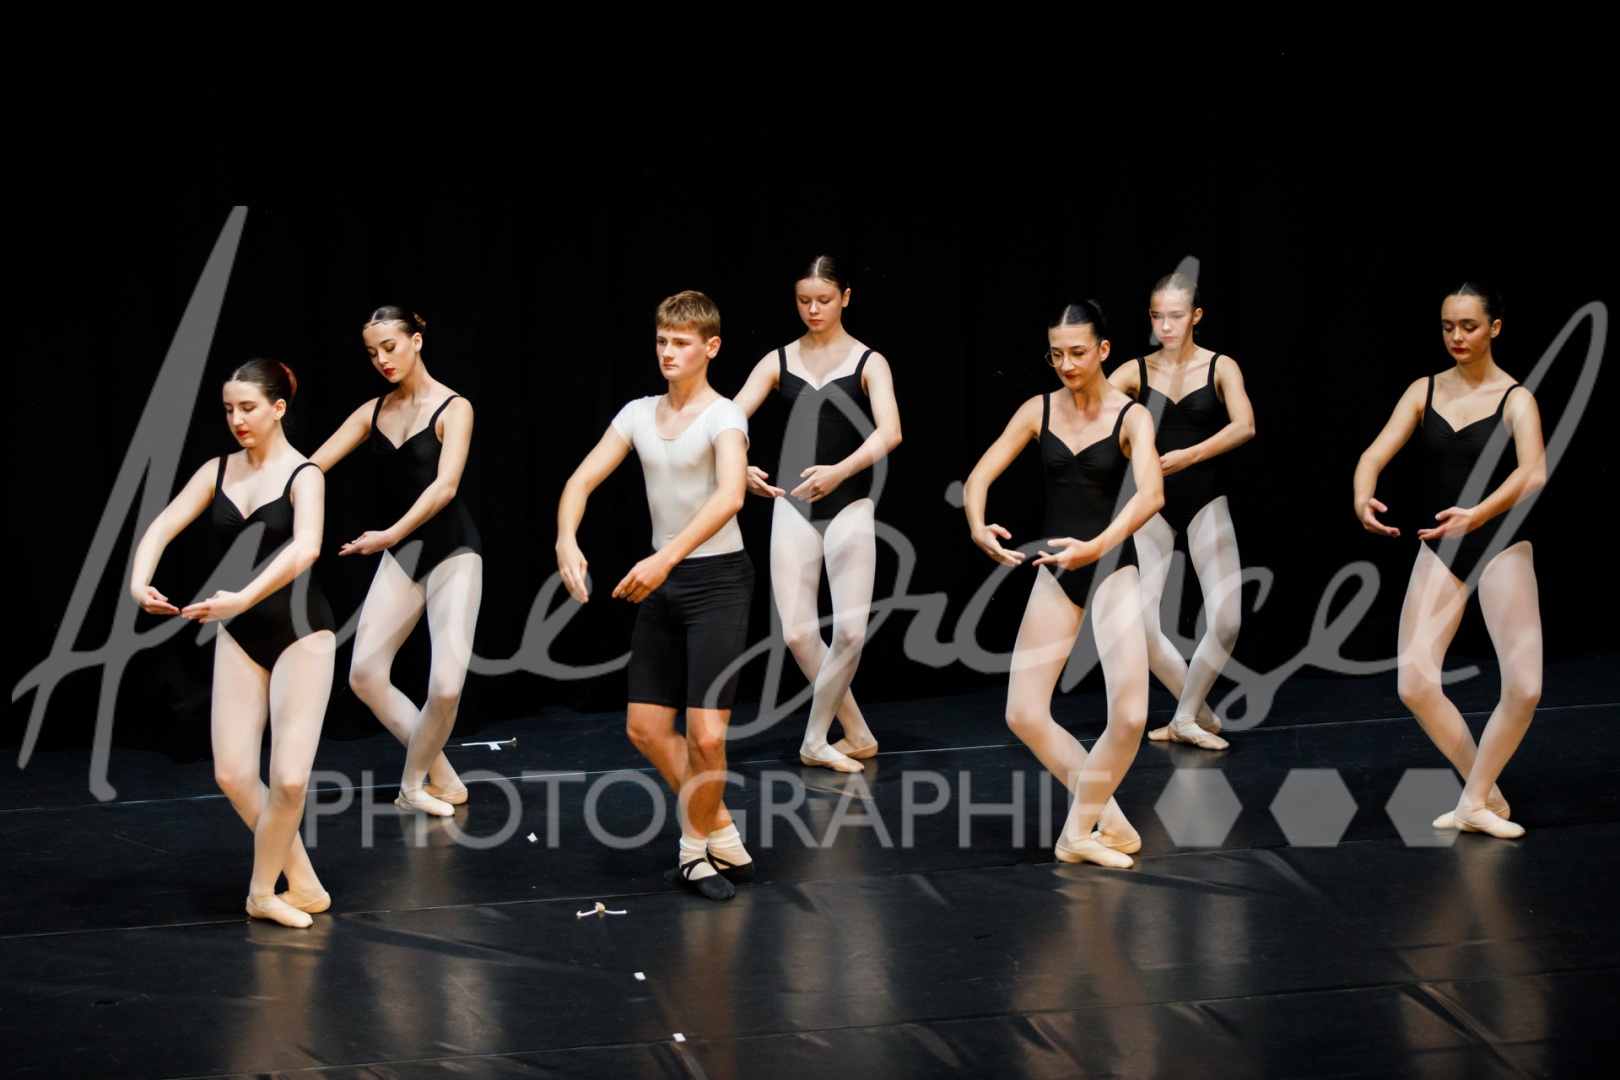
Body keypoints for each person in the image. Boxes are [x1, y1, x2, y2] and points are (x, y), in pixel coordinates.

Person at [556, 290, 755, 900]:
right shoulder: (638, 414)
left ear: (711, 348)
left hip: (717, 582)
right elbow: (580, 480)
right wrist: (566, 538)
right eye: (662, 341)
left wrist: (665, 558)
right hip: (665, 584)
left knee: (708, 736)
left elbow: (730, 496)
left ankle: (694, 853)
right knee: (644, 729)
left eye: (682, 343)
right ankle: (721, 829)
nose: (668, 352)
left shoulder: (725, 417)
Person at [128, 360, 336, 927]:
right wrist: (138, 582)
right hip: (240, 632)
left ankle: (261, 892)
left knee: (289, 778)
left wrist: (242, 596)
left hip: (301, 631)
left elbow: (307, 547)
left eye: (248, 407)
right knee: (233, 774)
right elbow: (160, 527)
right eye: (228, 410)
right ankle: (304, 884)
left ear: (278, 408)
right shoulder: (217, 470)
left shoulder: (305, 474)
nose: (237, 419)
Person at [963, 301, 1164, 868]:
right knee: (1024, 713)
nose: (1067, 364)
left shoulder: (1132, 417)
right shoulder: (1039, 409)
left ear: (1104, 350)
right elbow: (978, 477)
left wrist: (1097, 547)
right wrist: (977, 524)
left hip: (1111, 563)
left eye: (1078, 352)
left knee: (1130, 716)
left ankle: (1077, 833)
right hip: (1058, 567)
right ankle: (1108, 822)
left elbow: (1151, 494)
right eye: (1057, 354)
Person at [1353, 283, 1545, 839]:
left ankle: (1474, 800)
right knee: (1413, 684)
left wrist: (1478, 514)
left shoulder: (1516, 399)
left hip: (1499, 542)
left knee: (1525, 688)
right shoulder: (1425, 390)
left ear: (1495, 328)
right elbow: (1373, 453)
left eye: (1469, 326)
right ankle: (1482, 797)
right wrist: (1362, 495)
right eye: (1447, 327)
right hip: (1442, 545)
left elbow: (1533, 471)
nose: (1457, 337)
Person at [731, 256, 901, 772]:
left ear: (845, 298)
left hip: (849, 502)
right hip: (793, 503)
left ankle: (814, 739)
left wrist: (840, 472)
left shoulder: (869, 361)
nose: (813, 309)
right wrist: (737, 464)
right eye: (804, 300)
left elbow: (890, 431)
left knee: (849, 633)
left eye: (824, 300)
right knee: (798, 634)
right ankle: (856, 733)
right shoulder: (778, 360)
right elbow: (728, 419)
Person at [311, 307, 483, 817]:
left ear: (416, 341)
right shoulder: (373, 411)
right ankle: (443, 779)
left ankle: (411, 786)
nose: (382, 359)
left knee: (446, 687)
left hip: (452, 551)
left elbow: (445, 487)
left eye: (390, 347)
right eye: (372, 353)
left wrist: (390, 533)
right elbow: (312, 467)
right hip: (402, 556)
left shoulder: (455, 408)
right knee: (364, 676)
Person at [1107, 273, 1254, 750]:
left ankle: (1186, 717)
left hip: (1205, 499)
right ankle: (1195, 716)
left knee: (1227, 620)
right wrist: (1136, 454)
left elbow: (1245, 426)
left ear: (1196, 316)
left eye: (1175, 316)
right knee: (1142, 627)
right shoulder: (1133, 372)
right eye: (1157, 316)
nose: (1166, 326)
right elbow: (1098, 418)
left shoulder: (1220, 366)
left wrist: (1189, 455)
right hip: (1153, 504)